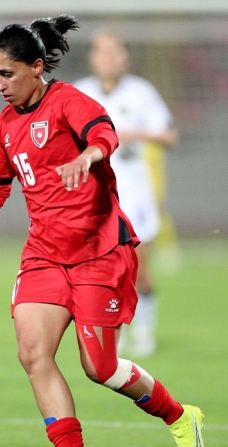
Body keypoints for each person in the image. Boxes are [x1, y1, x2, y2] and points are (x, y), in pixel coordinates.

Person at [0, 15, 204, 447]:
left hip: (98, 252)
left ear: (36, 67)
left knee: (99, 368)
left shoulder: (69, 102)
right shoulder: (6, 125)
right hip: (44, 255)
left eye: (7, 74)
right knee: (32, 353)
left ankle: (180, 417)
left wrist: (87, 156)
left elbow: (106, 134)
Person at [74, 30, 179, 357]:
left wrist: (134, 134)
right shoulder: (79, 93)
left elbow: (169, 136)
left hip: (134, 192)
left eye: (114, 51)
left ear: (124, 57)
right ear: (93, 57)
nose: (108, 58)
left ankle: (144, 332)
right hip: (94, 196)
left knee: (138, 269)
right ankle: (111, 334)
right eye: (102, 51)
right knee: (100, 271)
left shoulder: (141, 93)